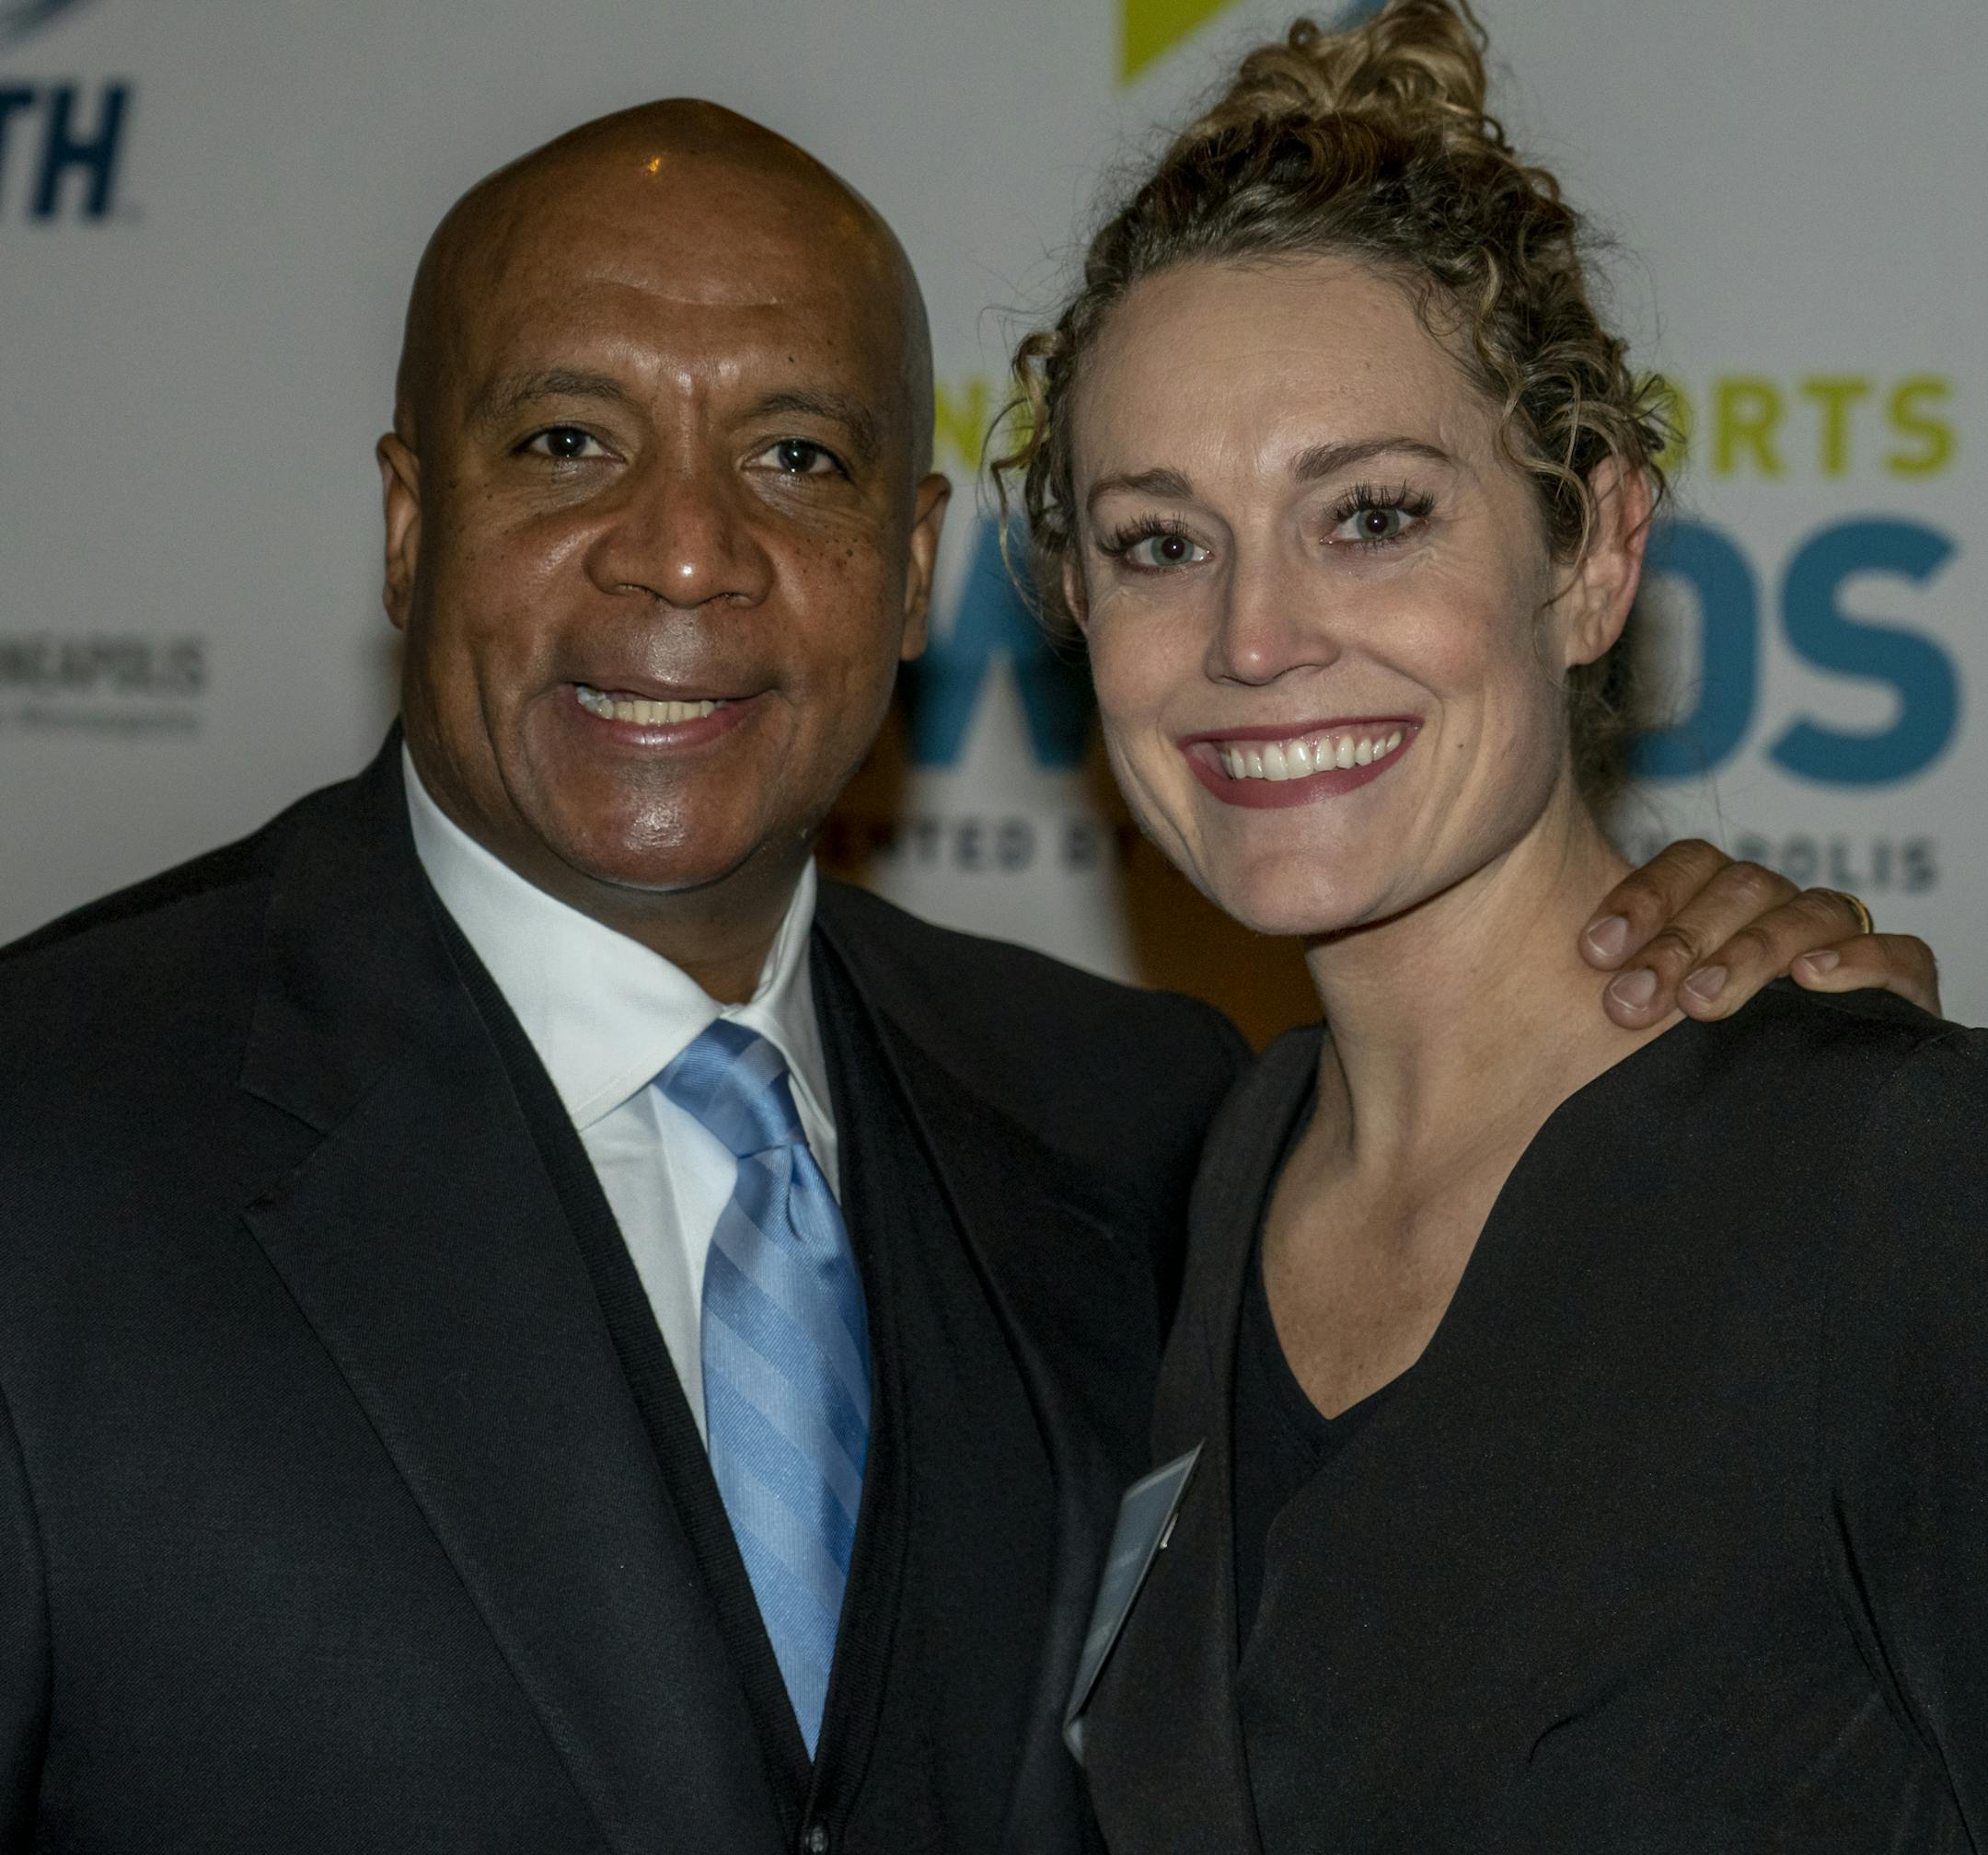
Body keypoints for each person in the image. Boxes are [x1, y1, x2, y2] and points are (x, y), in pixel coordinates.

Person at [0, 95, 1932, 1855]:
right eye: (570, 442)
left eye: (796, 455)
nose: (686, 554)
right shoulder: (47, 1136)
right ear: (411, 524)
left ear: (913, 566)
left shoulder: (1134, 1120)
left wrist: (1846, 1093)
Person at [999, 6, 1986, 1849]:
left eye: (1371, 516)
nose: (1253, 638)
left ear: (1594, 555)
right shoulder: (1215, 1173)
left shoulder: (1897, 1179)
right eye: (1159, 541)